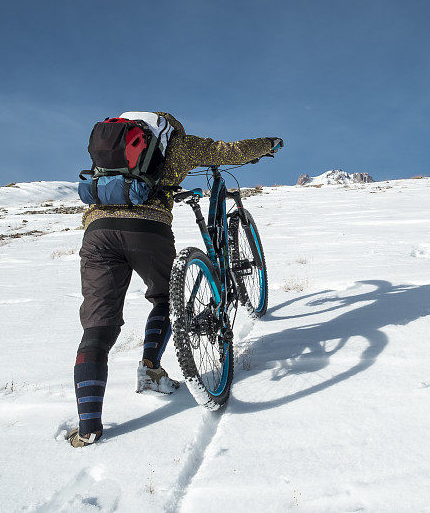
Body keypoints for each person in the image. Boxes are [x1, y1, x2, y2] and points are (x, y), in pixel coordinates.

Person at [67, 111, 282, 447]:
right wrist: (267, 145)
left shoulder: (112, 145)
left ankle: (88, 427)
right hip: (148, 229)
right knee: (168, 298)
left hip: (98, 233)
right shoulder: (178, 145)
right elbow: (232, 151)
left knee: (97, 327)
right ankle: (151, 368)